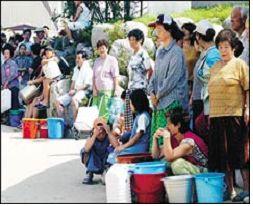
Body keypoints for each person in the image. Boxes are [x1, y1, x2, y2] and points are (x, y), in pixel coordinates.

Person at [208, 29, 249, 201]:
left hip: (235, 115)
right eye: (220, 47)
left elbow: (248, 88)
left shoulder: (240, 64)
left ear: (233, 48)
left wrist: (247, 108)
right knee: (223, 156)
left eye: (226, 46)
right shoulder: (215, 67)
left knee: (240, 154)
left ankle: (248, 191)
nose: (223, 50)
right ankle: (230, 190)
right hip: (217, 116)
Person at [147, 14, 188, 150]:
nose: (156, 32)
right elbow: (154, 75)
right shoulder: (159, 51)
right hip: (158, 104)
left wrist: (157, 96)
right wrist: (151, 92)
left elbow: (172, 79)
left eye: (159, 29)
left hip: (171, 104)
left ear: (169, 30)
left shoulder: (176, 52)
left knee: (169, 143)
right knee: (157, 142)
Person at [152, 108, 208, 175]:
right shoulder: (174, 138)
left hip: (204, 173)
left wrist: (166, 137)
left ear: (178, 125)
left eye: (169, 124)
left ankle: (187, 185)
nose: (167, 126)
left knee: (177, 164)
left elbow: (170, 157)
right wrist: (155, 138)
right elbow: (156, 156)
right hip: (191, 168)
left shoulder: (189, 141)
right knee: (163, 162)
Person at [192, 20, 221, 141]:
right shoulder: (209, 52)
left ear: (198, 37)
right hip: (207, 102)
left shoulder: (213, 55)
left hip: (213, 104)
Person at [106, 89, 151, 164]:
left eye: (130, 104)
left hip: (140, 148)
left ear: (136, 103)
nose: (130, 106)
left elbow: (136, 137)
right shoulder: (138, 116)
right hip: (136, 146)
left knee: (115, 155)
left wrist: (124, 146)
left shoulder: (143, 117)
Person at [124, 29, 153, 131]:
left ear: (140, 40)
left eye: (134, 39)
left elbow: (150, 70)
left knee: (139, 116)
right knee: (130, 118)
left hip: (140, 89)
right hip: (131, 88)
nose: (131, 42)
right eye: (130, 39)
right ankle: (130, 137)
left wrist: (148, 85)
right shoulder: (133, 54)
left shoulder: (143, 54)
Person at [55, 50, 92, 124]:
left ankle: (75, 124)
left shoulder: (88, 69)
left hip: (84, 91)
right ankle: (63, 123)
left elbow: (86, 85)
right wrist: (69, 91)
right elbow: (73, 82)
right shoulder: (76, 69)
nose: (77, 60)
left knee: (74, 100)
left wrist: (75, 90)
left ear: (84, 59)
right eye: (76, 58)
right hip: (75, 90)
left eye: (79, 58)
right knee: (58, 101)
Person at [80, 117, 118, 184]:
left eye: (102, 127)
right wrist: (95, 134)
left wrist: (108, 132)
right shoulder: (92, 136)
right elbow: (86, 149)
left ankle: (107, 171)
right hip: (94, 161)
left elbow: (117, 146)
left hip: (104, 161)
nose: (101, 130)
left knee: (113, 149)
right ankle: (89, 172)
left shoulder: (108, 135)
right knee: (85, 151)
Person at [92, 39, 120, 121]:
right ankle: (97, 130)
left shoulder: (112, 60)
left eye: (103, 47)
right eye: (99, 48)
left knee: (104, 112)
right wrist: (94, 89)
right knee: (95, 112)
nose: (101, 50)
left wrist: (116, 89)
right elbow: (93, 77)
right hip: (97, 91)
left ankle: (104, 131)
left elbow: (115, 76)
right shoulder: (97, 61)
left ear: (107, 48)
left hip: (107, 90)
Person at [1, 44, 20, 109]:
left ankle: (15, 119)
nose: (5, 55)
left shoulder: (12, 63)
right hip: (6, 88)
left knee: (14, 105)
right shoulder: (3, 65)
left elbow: (13, 74)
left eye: (7, 53)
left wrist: (6, 82)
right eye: (4, 53)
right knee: (6, 106)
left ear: (10, 54)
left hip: (13, 87)